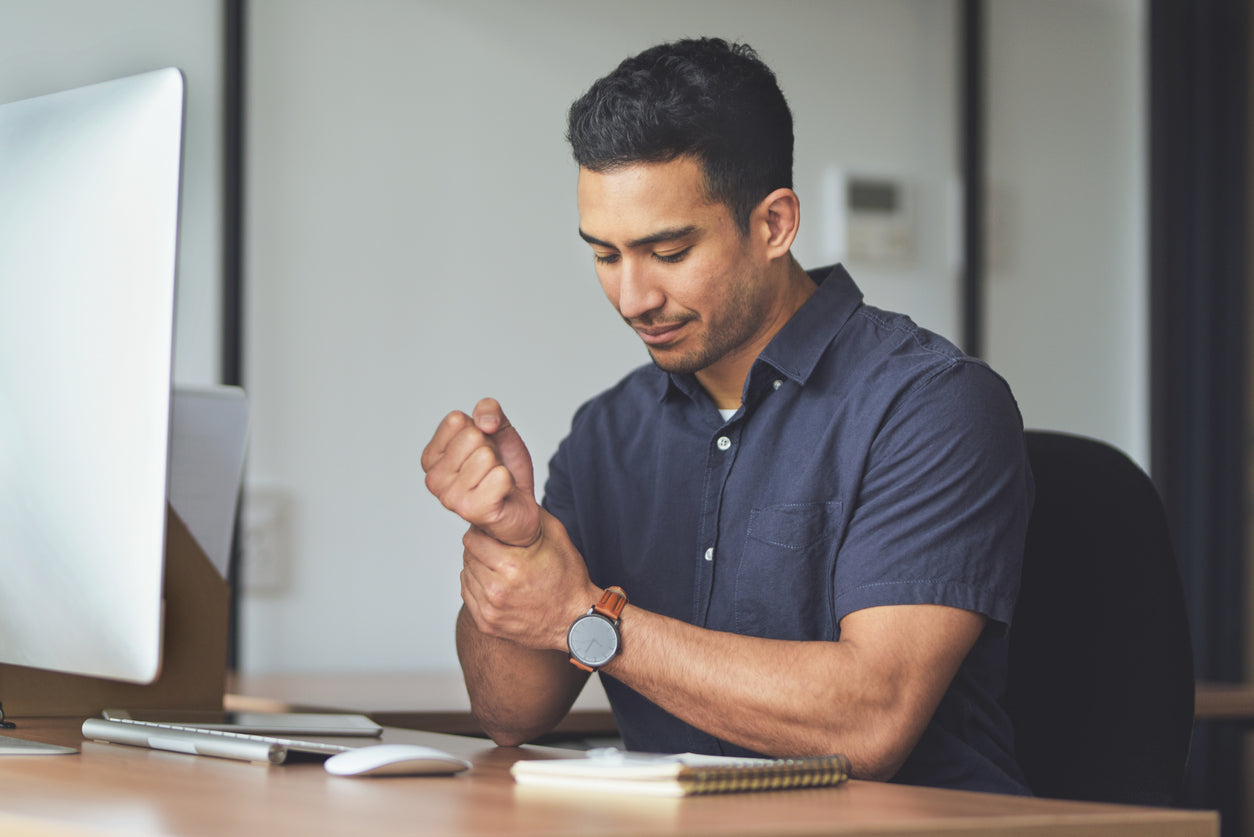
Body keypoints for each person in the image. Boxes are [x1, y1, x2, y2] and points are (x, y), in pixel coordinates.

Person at [421, 37, 1034, 795]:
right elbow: (511, 712)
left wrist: (589, 619)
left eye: (668, 251)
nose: (632, 297)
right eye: (605, 255)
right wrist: (513, 546)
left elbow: (868, 721)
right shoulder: (605, 434)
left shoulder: (930, 404)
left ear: (774, 224)